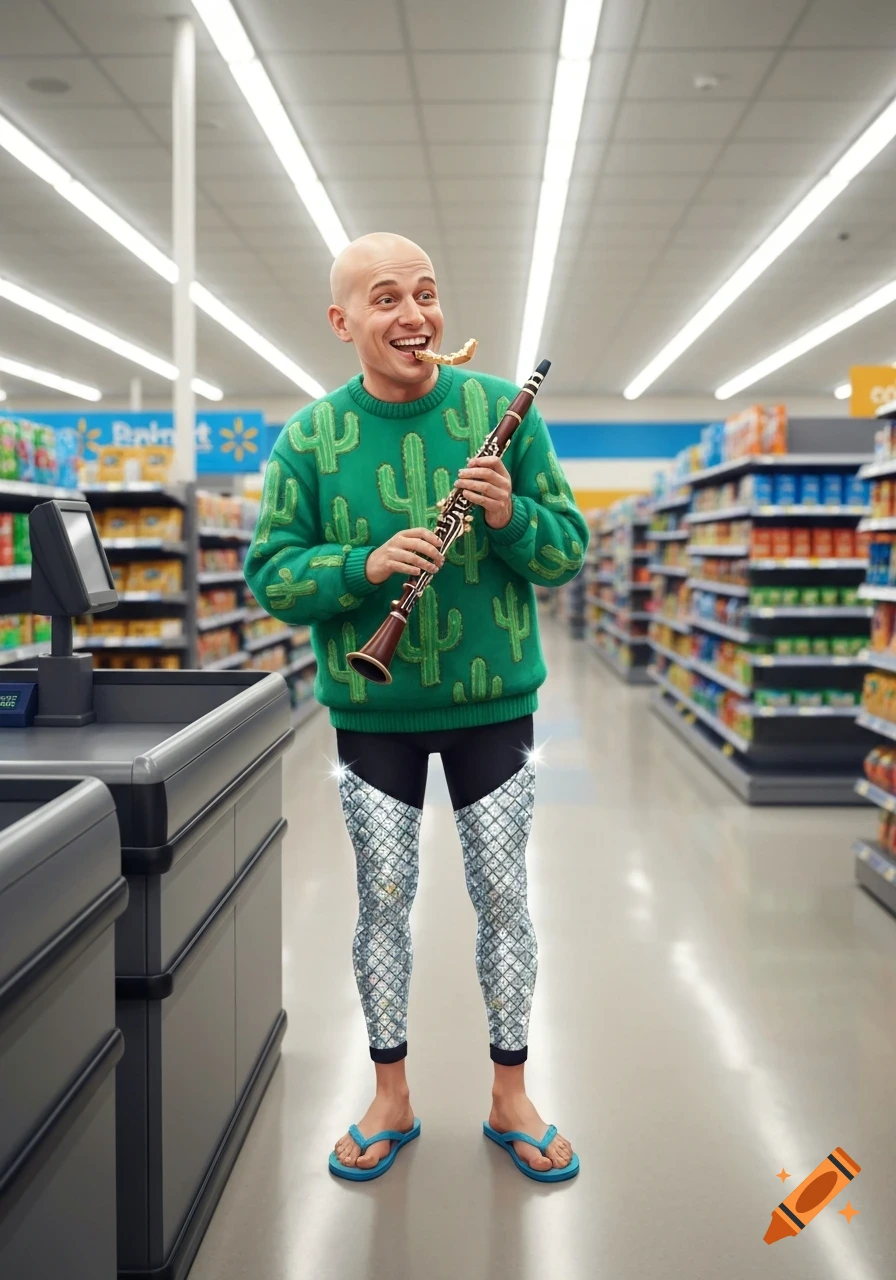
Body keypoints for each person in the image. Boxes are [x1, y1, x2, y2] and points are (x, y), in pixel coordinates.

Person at [245, 232, 588, 1183]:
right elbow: (271, 576)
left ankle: (510, 1094)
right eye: (387, 297)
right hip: (371, 710)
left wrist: (515, 513)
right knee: (381, 906)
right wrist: (363, 567)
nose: (414, 316)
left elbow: (567, 552)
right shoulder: (310, 437)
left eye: (427, 295)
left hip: (494, 709)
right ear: (342, 320)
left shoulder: (500, 412)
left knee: (505, 901)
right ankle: (390, 1095)